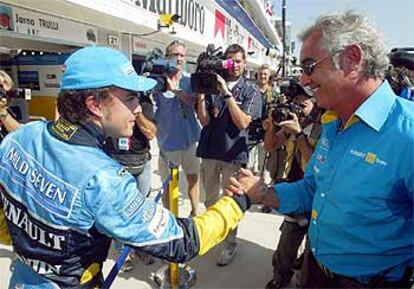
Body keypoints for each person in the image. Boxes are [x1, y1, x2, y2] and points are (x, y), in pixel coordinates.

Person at [0, 46, 262, 289]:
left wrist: (35, 252)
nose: (138, 108)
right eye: (129, 98)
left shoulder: (19, 138)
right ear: (94, 104)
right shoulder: (103, 178)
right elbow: (183, 242)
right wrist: (240, 200)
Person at [226, 11, 413, 289]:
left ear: (352, 59)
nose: (303, 80)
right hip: (313, 272)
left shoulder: (407, 134)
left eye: (309, 66)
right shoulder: (333, 121)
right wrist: (264, 193)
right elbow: (314, 188)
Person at [196, 44, 262, 266]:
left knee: (230, 202)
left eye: (239, 61)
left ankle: (230, 244)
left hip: (233, 154)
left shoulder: (251, 90)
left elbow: (243, 122)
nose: (235, 65)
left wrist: (226, 93)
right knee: (211, 199)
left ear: (245, 63)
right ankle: (215, 234)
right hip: (210, 151)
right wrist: (202, 92)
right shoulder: (213, 84)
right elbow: (205, 121)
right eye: (231, 61)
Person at [262, 87, 321, 289]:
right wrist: (271, 125)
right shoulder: (295, 121)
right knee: (288, 239)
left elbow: (317, 163)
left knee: (314, 243)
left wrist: (299, 134)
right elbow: (270, 146)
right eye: (297, 101)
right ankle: (280, 277)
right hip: (295, 188)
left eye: (303, 103)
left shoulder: (326, 126)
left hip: (317, 191)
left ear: (316, 103)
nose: (299, 108)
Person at [104, 91, 157, 270]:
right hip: (116, 162)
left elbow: (150, 133)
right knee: (120, 209)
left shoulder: (143, 101)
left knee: (143, 208)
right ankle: (122, 251)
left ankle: (140, 247)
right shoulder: (109, 100)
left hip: (141, 162)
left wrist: (138, 112)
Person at [154, 40, 201, 216]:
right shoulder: (158, 82)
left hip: (190, 139)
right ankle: (170, 216)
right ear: (167, 57)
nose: (179, 58)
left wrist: (176, 91)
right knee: (169, 183)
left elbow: (194, 101)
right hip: (168, 142)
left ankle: (195, 212)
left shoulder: (190, 80)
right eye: (175, 55)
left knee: (193, 178)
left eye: (182, 55)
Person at [247, 64, 278, 180]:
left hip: (265, 132)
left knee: (263, 163)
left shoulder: (274, 94)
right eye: (260, 74)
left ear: (269, 76)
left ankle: (260, 186)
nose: (262, 76)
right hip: (250, 130)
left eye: (265, 74)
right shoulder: (250, 90)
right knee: (249, 163)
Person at [0, 70, 24, 137]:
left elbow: (20, 134)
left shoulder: (18, 103)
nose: (2, 88)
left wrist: (2, 110)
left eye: (4, 83)